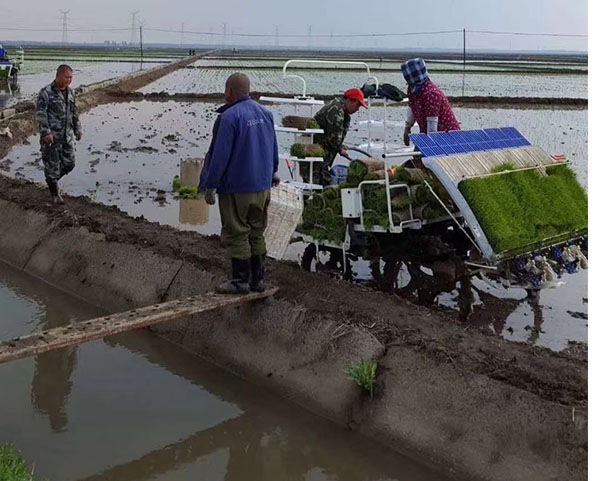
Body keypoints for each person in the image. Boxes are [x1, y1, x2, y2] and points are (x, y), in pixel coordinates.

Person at [199, 73, 279, 294]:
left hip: (237, 188)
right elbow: (273, 149)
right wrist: (271, 173)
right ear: (248, 90)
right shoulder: (266, 113)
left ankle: (240, 281)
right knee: (256, 231)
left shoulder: (229, 118)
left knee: (237, 231)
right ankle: (258, 281)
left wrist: (210, 184)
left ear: (228, 92)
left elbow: (219, 156)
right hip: (262, 187)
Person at [303, 87, 367, 186]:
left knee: (321, 182)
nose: (357, 109)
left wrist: (341, 145)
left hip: (321, 152)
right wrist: (340, 149)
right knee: (317, 184)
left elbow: (333, 135)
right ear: (349, 100)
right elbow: (334, 138)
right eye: (357, 105)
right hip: (315, 152)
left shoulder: (341, 109)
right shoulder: (336, 111)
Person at [36, 64, 82, 203]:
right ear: (59, 76)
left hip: (67, 136)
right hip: (52, 137)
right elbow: (41, 114)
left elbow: (74, 112)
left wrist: (77, 129)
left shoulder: (71, 92)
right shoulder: (46, 92)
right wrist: (46, 132)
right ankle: (55, 194)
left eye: (71, 78)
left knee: (70, 163)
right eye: (67, 77)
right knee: (52, 165)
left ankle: (51, 179)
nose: (69, 80)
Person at [401, 58, 460, 146]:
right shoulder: (412, 89)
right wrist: (407, 127)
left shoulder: (431, 94)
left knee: (431, 156)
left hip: (447, 136)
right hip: (426, 131)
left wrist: (430, 146)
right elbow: (412, 107)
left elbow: (432, 123)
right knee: (418, 156)